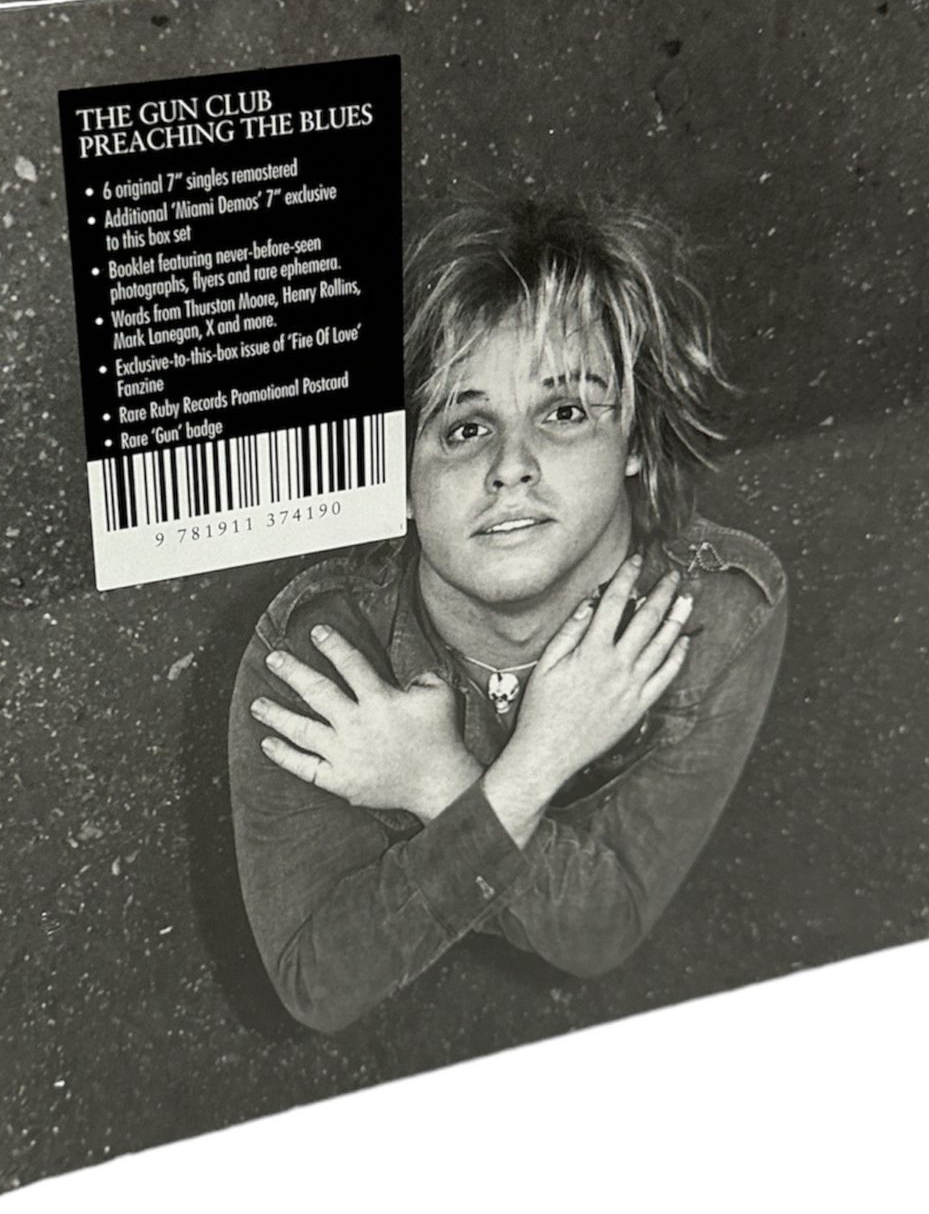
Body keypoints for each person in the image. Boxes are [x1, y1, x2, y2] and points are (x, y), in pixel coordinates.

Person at [227, 195, 788, 1033]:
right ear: (399, 481)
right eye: (464, 427)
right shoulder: (318, 652)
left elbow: (603, 928)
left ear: (636, 436)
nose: (511, 466)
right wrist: (528, 775)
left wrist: (437, 782)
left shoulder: (718, 612)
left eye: (564, 413)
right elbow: (319, 985)